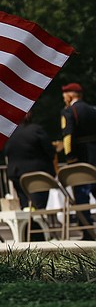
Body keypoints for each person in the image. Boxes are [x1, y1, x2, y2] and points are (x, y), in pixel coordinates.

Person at [58, 82, 96, 239]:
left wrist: (69, 157)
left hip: (80, 157)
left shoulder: (68, 111)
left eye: (65, 95)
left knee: (81, 194)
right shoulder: (93, 109)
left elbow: (68, 136)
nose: (63, 98)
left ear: (71, 95)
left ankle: (87, 231)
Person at [4, 111, 56, 210]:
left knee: (25, 204)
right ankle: (38, 220)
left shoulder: (9, 134)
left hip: (17, 174)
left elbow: (6, 152)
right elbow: (50, 150)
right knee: (39, 204)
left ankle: (29, 222)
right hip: (38, 174)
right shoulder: (37, 130)